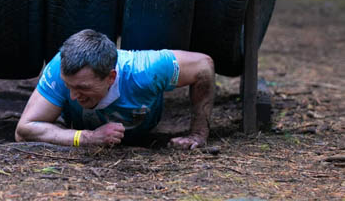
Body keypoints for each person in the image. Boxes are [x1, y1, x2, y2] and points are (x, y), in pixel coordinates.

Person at [15, 29, 215, 149]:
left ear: (111, 77)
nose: (73, 96)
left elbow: (203, 65)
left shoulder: (146, 70)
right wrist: (86, 138)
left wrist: (198, 134)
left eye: (82, 88)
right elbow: (24, 131)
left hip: (148, 125)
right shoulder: (59, 68)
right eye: (68, 87)